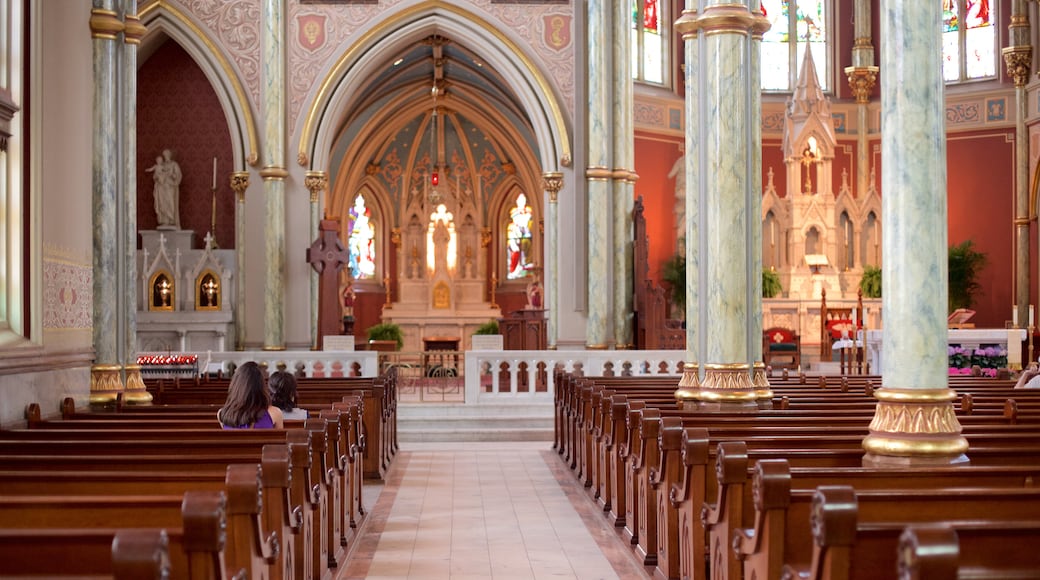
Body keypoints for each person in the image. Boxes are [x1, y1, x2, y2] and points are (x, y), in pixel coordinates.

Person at [217, 361, 284, 429]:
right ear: (261, 386)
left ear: (235, 386)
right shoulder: (274, 413)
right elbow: (280, 439)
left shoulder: (222, 414)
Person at [147, 149, 182, 228]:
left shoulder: (174, 164)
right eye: (164, 155)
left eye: (167, 154)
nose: (166, 156)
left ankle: (171, 220)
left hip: (170, 187)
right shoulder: (160, 165)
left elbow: (178, 175)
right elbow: (155, 176)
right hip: (161, 187)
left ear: (170, 155)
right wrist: (157, 177)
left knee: (170, 202)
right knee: (162, 203)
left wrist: (173, 176)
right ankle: (164, 221)